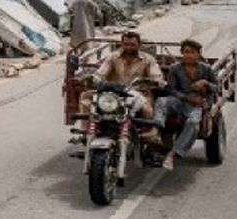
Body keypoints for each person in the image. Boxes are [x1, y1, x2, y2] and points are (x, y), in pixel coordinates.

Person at [77, 32, 164, 137]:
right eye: (126, 44)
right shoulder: (113, 57)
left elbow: (156, 75)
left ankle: (148, 136)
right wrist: (93, 78)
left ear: (139, 45)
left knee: (147, 110)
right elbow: (102, 72)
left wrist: (155, 81)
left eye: (132, 45)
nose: (128, 47)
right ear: (122, 44)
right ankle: (86, 132)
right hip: (114, 93)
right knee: (86, 96)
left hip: (139, 94)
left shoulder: (148, 59)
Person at [153, 39, 217, 170]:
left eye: (192, 52)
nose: (189, 55)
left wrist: (205, 83)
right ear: (182, 53)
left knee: (193, 122)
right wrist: (185, 97)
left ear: (198, 54)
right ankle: (156, 134)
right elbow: (171, 89)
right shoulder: (175, 68)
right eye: (186, 52)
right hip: (179, 100)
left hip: (197, 102)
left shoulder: (206, 69)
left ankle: (173, 153)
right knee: (161, 101)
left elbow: (216, 87)